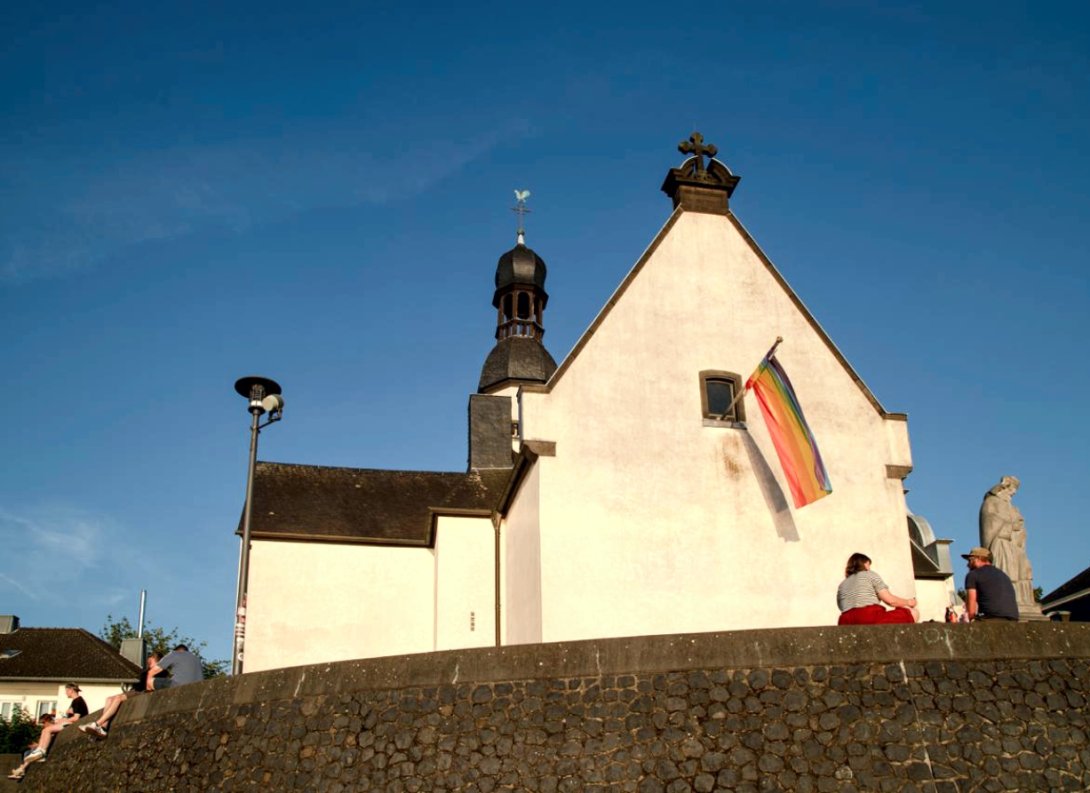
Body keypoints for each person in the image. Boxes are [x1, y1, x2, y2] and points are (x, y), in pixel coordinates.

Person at [80, 652, 167, 740]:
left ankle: (97, 723)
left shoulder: (162, 672)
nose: (148, 663)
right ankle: (103, 727)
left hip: (143, 692)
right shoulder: (147, 672)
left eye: (151, 661)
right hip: (135, 690)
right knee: (109, 699)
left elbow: (154, 685)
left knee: (118, 699)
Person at [8, 684, 88, 780]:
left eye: (66, 690)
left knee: (47, 730)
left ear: (71, 690)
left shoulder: (78, 701)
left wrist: (62, 720)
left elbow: (76, 718)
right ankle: (37, 754)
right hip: (69, 723)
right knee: (45, 731)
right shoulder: (75, 702)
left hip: (73, 725)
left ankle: (41, 752)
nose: (66, 693)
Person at [979, 475, 1035, 606]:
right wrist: (1010, 526)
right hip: (1000, 544)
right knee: (1005, 572)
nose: (1012, 494)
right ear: (1004, 489)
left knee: (1020, 571)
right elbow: (991, 525)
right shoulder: (992, 502)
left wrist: (1019, 527)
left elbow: (1019, 524)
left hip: (1013, 546)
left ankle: (1021, 600)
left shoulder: (1010, 506)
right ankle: (1005, 600)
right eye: (1011, 491)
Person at [836, 552, 919, 624]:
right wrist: (909, 602)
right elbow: (891, 601)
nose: (869, 568)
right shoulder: (870, 574)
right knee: (913, 613)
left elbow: (841, 607)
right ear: (865, 564)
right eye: (869, 565)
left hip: (846, 621)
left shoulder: (842, 585)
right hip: (869, 617)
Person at [962, 545, 1019, 621]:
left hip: (990, 618)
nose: (967, 565)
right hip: (1013, 618)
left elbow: (971, 604)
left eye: (970, 560)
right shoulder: (1003, 574)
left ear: (978, 559)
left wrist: (971, 619)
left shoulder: (973, 575)